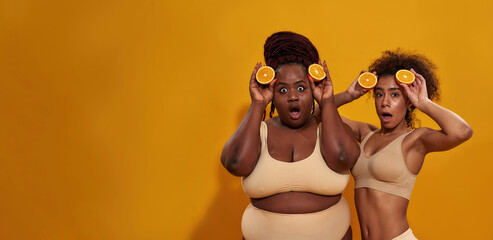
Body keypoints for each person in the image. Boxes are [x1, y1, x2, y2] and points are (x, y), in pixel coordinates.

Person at [220, 31, 360, 240]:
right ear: (272, 95)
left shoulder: (328, 129)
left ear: (313, 90)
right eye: (283, 90)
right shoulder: (258, 132)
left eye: (301, 88)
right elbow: (234, 163)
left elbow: (343, 158)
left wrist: (328, 101)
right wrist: (258, 104)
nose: (293, 96)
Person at [334, 49, 473, 240]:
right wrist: (348, 95)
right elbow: (317, 115)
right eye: (379, 94)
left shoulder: (415, 141)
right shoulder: (365, 133)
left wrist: (423, 102)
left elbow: (462, 132)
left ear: (408, 101)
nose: (385, 102)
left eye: (395, 95)